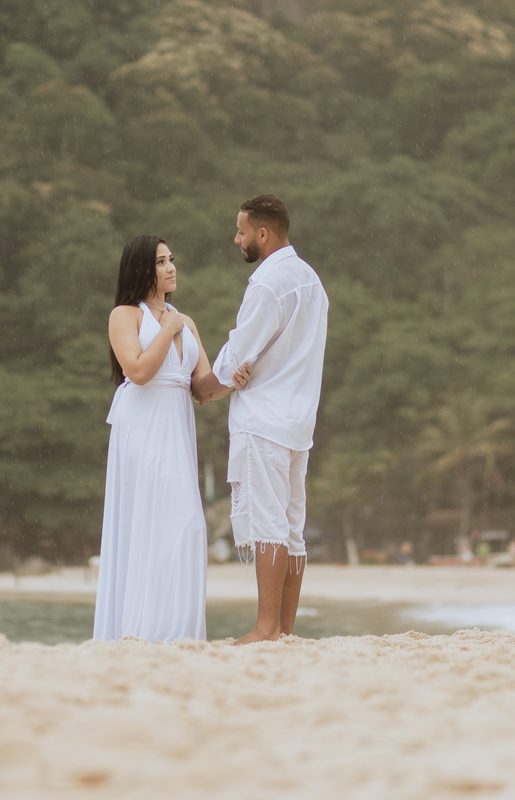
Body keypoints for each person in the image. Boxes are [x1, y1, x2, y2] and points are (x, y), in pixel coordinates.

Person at [93, 235, 249, 642]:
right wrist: (168, 328)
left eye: (171, 259)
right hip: (141, 427)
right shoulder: (124, 316)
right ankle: (140, 632)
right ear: (143, 269)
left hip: (176, 430)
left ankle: (176, 631)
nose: (171, 267)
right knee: (156, 521)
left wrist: (235, 378)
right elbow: (138, 371)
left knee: (187, 525)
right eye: (161, 261)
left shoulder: (186, 321)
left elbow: (202, 389)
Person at [192, 194, 329, 644]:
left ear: (263, 233)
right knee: (292, 528)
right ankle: (286, 629)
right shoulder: (312, 281)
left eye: (241, 230)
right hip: (298, 421)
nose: (237, 238)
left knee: (267, 523)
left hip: (264, 417)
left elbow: (238, 353)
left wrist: (203, 390)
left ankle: (266, 627)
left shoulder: (268, 283)